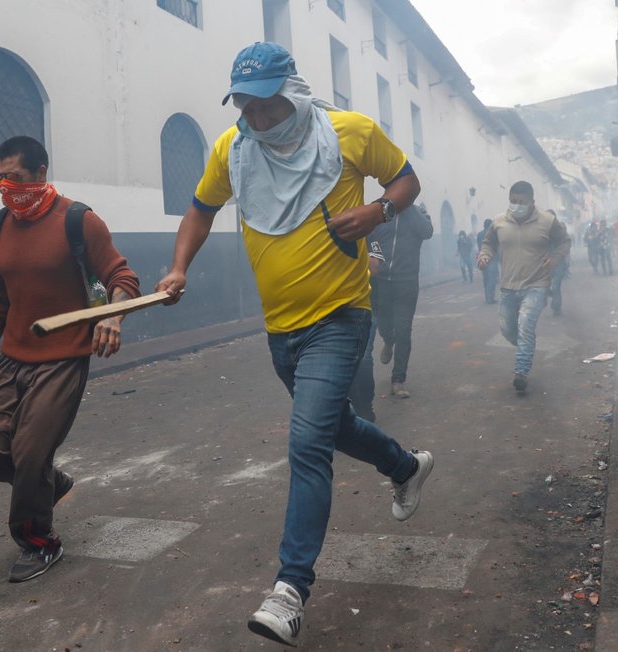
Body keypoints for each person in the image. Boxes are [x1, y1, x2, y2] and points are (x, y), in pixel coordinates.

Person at [155, 42, 433, 647]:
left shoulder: (350, 132)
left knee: (308, 442)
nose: (256, 118)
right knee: (333, 426)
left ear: (294, 92)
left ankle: (290, 590)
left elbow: (407, 180)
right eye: (246, 106)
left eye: (267, 105)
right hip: (281, 330)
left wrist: (377, 212)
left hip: (341, 316)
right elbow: (200, 210)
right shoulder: (234, 149)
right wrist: (179, 269)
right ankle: (406, 467)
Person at [0, 136, 140, 583]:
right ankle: (50, 485)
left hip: (63, 357)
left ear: (41, 174)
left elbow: (122, 277)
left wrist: (113, 317)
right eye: (0, 179)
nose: (6, 187)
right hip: (11, 355)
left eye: (15, 178)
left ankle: (39, 541)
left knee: (30, 451)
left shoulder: (80, 222)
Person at [478, 180, 570, 392]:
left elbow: (564, 241)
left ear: (531, 202)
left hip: (537, 284)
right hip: (509, 286)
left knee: (525, 326)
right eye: (512, 201)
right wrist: (484, 256)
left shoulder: (548, 221)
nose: (516, 205)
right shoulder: (499, 221)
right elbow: (488, 243)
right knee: (508, 330)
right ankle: (526, 346)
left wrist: (555, 258)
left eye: (521, 202)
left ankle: (521, 372)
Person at [369, 203, 433, 399]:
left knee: (404, 330)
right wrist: (375, 256)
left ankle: (398, 380)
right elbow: (370, 236)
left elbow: (427, 232)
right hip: (381, 282)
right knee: (384, 324)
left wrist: (408, 207)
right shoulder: (379, 208)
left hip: (407, 282)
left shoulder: (418, 212)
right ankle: (389, 340)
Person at [347, 249, 385, 422]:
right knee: (345, 362)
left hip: (365, 307)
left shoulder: (367, 231)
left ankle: (364, 406)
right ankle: (355, 406)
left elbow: (375, 265)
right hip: (333, 312)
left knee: (363, 358)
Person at [547, 210, 569, 316]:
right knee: (544, 288)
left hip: (559, 263)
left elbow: (566, 244)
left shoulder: (560, 230)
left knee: (555, 286)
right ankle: (553, 297)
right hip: (546, 264)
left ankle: (556, 308)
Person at [477, 218, 498, 304]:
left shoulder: (479, 234)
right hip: (492, 258)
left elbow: (478, 245)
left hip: (482, 258)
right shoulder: (493, 233)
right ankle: (490, 298)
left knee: (486, 278)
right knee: (492, 279)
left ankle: (487, 297)